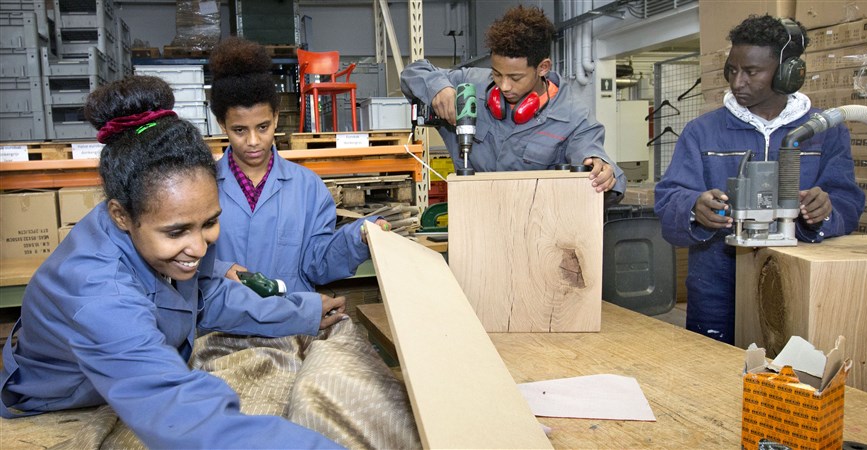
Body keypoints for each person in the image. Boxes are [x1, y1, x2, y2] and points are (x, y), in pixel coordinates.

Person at [0, 76, 344, 448]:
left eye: (210, 223)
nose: (199, 248)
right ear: (120, 215)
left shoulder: (149, 230)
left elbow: (205, 297)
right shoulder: (96, 292)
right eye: (177, 232)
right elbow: (183, 418)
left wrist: (303, 310)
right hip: (63, 404)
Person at [654, 14, 864, 344]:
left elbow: (848, 203)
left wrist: (826, 209)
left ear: (787, 74)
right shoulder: (702, 132)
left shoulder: (825, 132)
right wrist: (694, 208)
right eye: (732, 70)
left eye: (752, 72)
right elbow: (668, 199)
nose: (737, 82)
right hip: (716, 293)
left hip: (798, 292)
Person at [207, 37, 387, 303]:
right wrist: (220, 270)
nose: (254, 141)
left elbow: (318, 263)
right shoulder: (203, 186)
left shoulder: (307, 187)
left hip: (290, 320)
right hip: (223, 322)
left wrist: (358, 238)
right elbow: (182, 257)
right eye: (239, 130)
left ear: (277, 117)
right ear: (223, 124)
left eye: (263, 127)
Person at [400, 5, 626, 199]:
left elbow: (591, 153)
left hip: (535, 230)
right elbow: (413, 73)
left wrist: (602, 168)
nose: (504, 86)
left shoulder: (573, 116)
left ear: (543, 67)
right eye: (497, 74)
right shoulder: (469, 87)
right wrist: (439, 89)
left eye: (515, 77)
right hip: (473, 220)